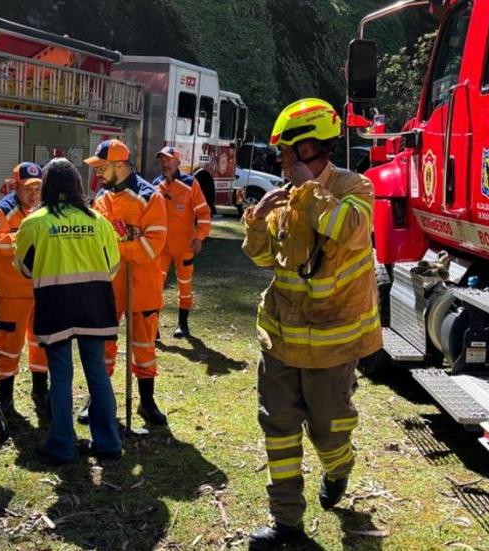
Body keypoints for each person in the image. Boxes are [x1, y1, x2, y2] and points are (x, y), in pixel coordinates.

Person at [241, 99, 383, 548]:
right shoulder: (284, 197)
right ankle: (287, 524)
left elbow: (353, 230)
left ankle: (338, 468)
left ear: (309, 149)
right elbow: (265, 258)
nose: (281, 161)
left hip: (331, 346)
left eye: (287, 152)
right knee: (278, 428)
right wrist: (259, 219)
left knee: (329, 430)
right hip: (280, 339)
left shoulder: (354, 186)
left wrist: (312, 192)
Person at [14, 158, 122, 463]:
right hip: (95, 304)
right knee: (97, 372)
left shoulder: (34, 222)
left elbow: (23, 267)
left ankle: (61, 444)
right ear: (77, 186)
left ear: (46, 185)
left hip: (55, 304)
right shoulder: (98, 221)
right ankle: (109, 442)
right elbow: (113, 265)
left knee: (60, 374)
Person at [83, 139, 170, 426]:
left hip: (141, 285)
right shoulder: (101, 197)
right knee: (103, 343)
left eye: (102, 166)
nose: (97, 172)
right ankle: (97, 400)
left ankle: (146, 402)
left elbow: (152, 246)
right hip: (108, 285)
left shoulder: (150, 196)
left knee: (144, 346)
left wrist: (117, 248)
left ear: (119, 165)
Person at [0, 162, 50, 418]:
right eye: (28, 189)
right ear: (15, 187)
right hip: (12, 292)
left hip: (42, 290)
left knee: (41, 342)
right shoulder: (0, 212)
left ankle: (40, 390)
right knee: (9, 346)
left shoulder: (44, 211)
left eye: (38, 188)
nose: (34, 195)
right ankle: (5, 397)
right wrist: (26, 237)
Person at [151, 146, 212, 338]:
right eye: (162, 160)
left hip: (184, 246)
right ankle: (154, 327)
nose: (165, 163)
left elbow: (203, 212)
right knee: (154, 285)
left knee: (185, 285)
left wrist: (200, 237)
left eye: (168, 159)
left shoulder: (190, 184)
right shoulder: (155, 185)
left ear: (178, 162)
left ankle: (183, 324)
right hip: (160, 247)